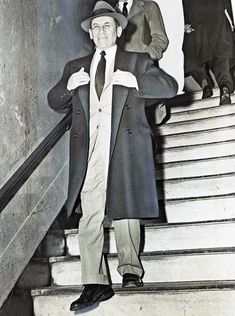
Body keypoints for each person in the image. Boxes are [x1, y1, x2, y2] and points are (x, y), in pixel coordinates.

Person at [48, 1, 177, 311]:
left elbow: (169, 86)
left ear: (119, 31)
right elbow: (54, 100)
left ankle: (130, 268)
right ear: (91, 35)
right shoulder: (75, 67)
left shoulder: (137, 61)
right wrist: (68, 87)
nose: (101, 31)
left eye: (107, 26)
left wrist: (136, 81)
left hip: (125, 144)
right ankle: (94, 282)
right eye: (96, 27)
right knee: (90, 212)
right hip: (90, 148)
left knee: (126, 209)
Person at [183, 0, 235, 105]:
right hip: (219, 23)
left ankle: (205, 84)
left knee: (194, 57)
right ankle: (224, 87)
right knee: (221, 58)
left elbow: (179, 8)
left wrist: (181, 26)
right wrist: (232, 27)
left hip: (196, 25)